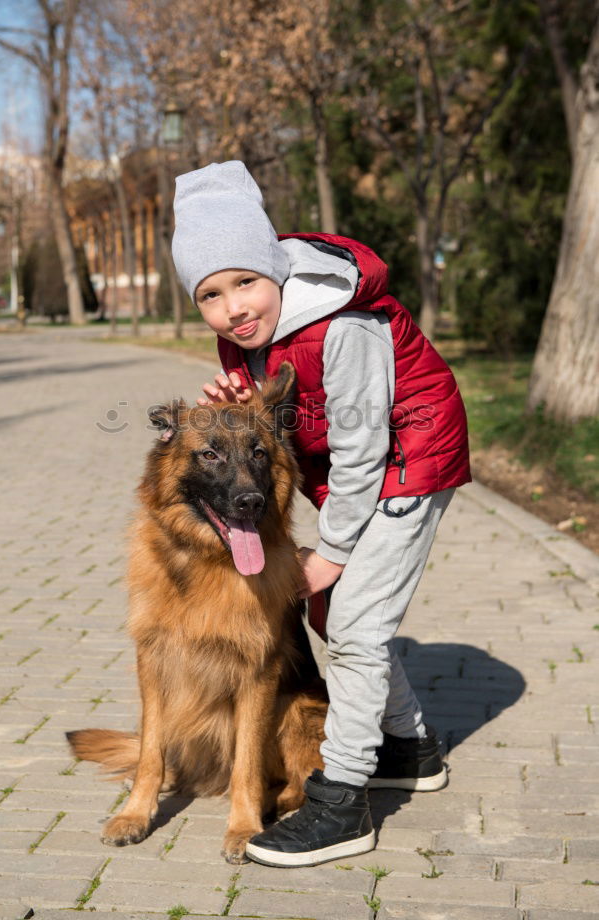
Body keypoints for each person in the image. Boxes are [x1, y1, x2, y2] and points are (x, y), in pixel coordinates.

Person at [171, 160, 471, 868]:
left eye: (244, 281)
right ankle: (412, 749)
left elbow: (365, 447)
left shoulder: (343, 323)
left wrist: (331, 553)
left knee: (359, 626)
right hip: (354, 476)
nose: (233, 308)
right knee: (332, 614)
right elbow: (283, 413)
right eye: (210, 295)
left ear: (274, 268)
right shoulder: (251, 333)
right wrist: (236, 393)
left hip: (409, 460)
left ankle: (341, 804)